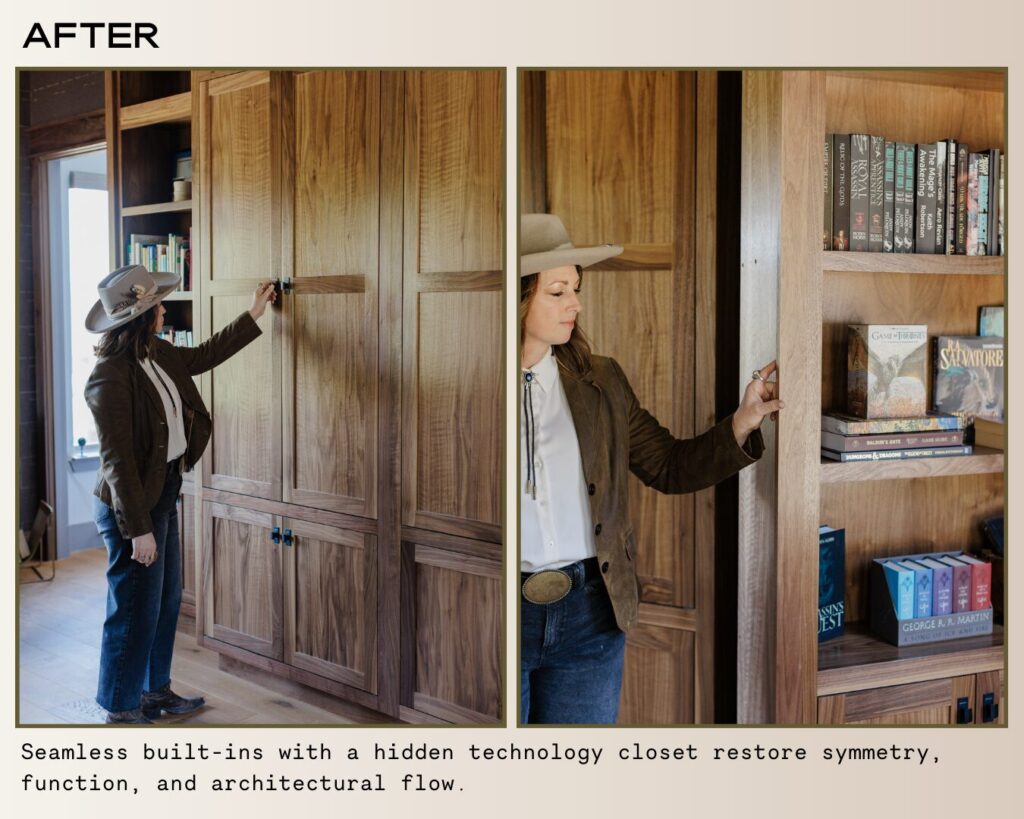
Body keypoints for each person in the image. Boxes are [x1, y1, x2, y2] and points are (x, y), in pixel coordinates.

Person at [519, 213, 784, 725]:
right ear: (518, 296)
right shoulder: (473, 380)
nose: (574, 303)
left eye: (575, 288)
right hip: (498, 612)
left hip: (590, 616)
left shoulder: (603, 380)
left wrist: (744, 419)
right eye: (557, 292)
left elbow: (667, 465)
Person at [84, 264, 276, 723]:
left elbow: (206, 355)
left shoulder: (159, 353)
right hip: (130, 505)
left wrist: (254, 312)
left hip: (164, 490)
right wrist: (139, 532)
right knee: (133, 608)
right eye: (156, 307)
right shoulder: (109, 376)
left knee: (164, 602)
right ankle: (121, 706)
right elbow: (118, 464)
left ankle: (155, 692)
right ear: (138, 318)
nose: (164, 311)